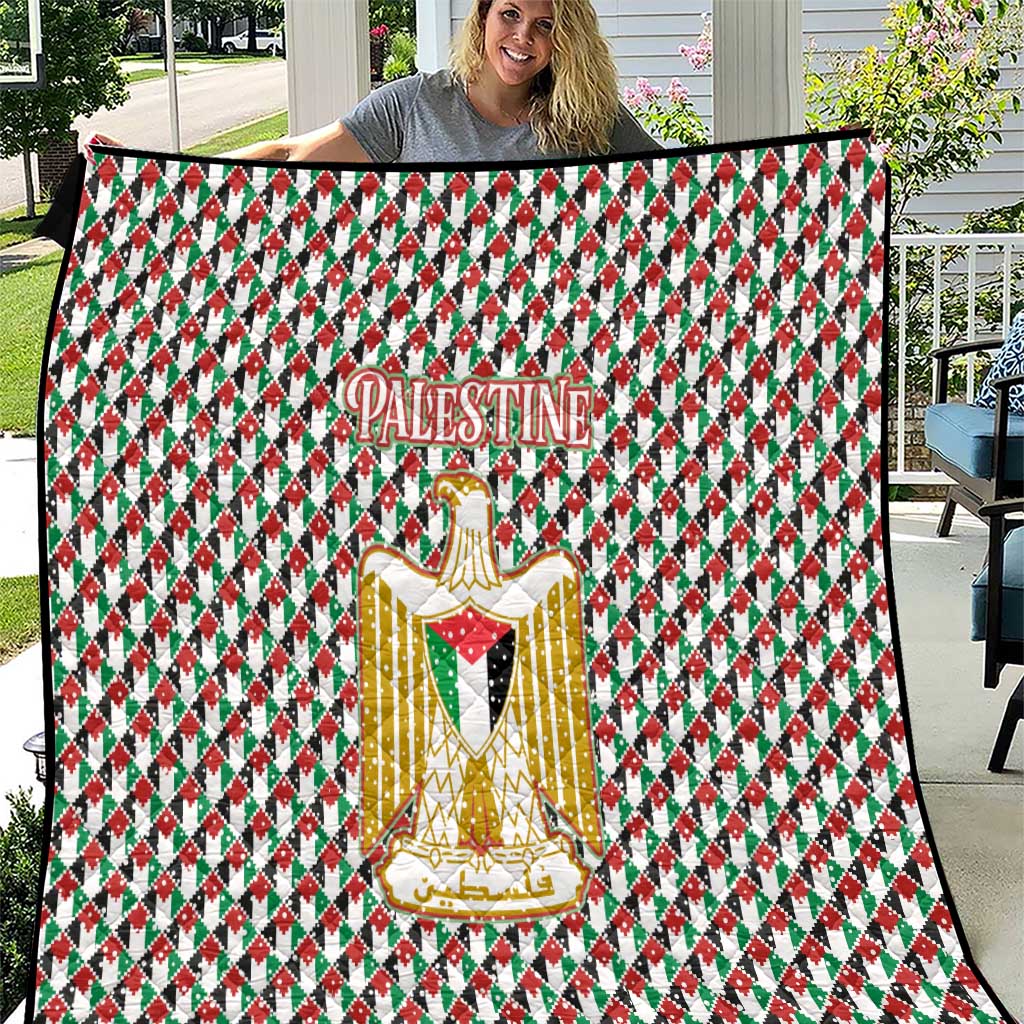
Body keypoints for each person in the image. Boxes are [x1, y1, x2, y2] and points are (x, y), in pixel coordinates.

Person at [88, 0, 661, 164]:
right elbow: (292, 153)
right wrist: (155, 165)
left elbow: (681, 189)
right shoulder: (414, 104)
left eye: (544, 25)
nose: (522, 37)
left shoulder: (589, 116)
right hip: (425, 363)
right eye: (510, 14)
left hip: (546, 364)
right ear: (483, 17)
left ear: (564, 39)